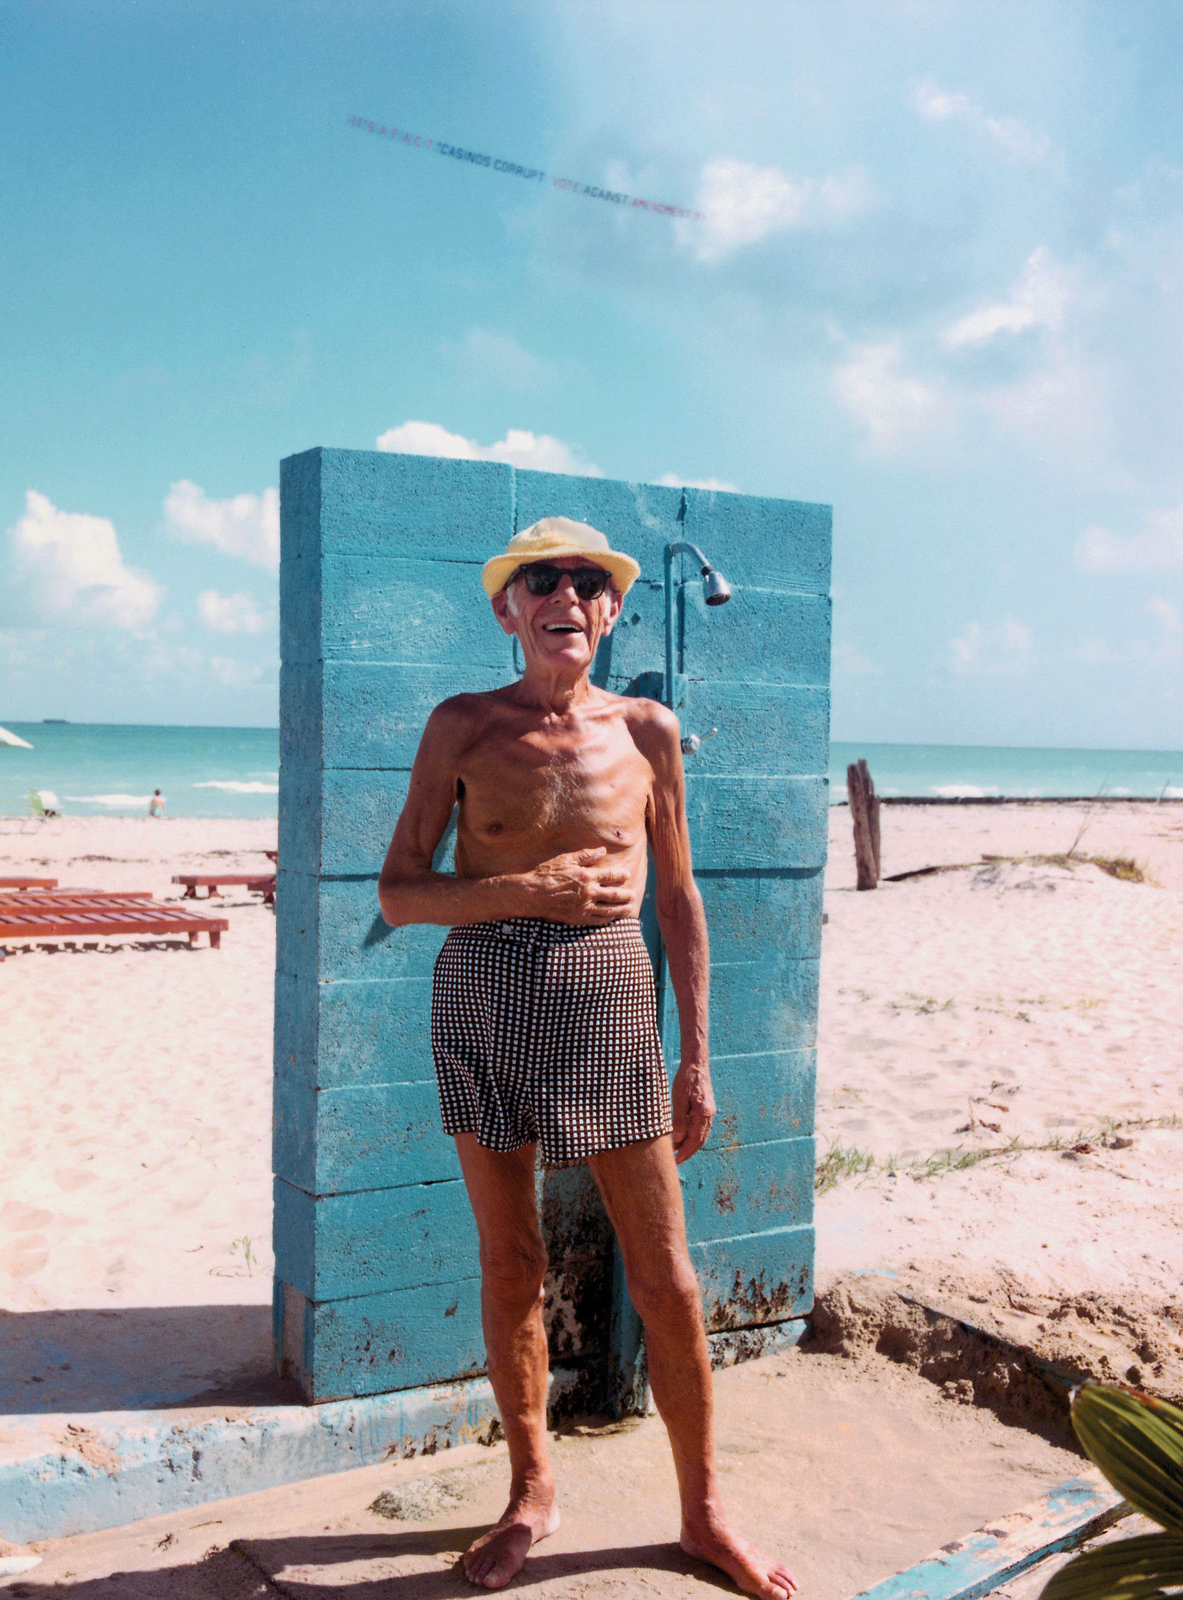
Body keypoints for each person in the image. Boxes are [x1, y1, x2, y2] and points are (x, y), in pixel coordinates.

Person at [378, 518, 797, 1598]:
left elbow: (679, 898)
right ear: (506, 609)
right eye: (540, 581)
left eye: (586, 582)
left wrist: (696, 1056)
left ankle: (704, 1512)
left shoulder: (648, 731)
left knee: (668, 1277)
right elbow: (398, 890)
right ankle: (530, 1492)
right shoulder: (461, 727)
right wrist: (526, 891)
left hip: (612, 999)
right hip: (483, 993)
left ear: (611, 611)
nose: (565, 595)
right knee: (511, 1263)